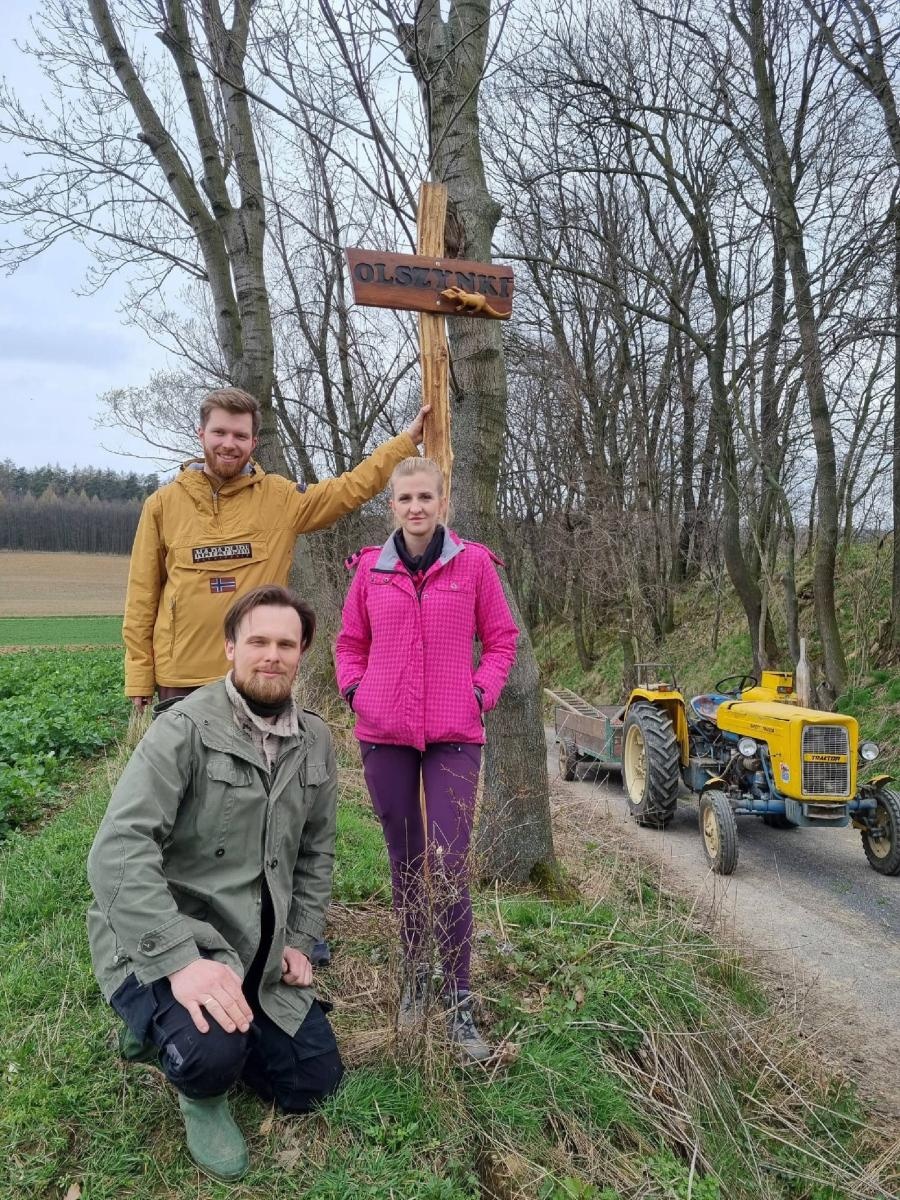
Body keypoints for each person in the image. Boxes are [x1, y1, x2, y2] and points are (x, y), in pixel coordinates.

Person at [88, 585, 342, 1181]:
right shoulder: (183, 729)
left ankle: (165, 1030)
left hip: (257, 943)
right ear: (230, 647)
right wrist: (181, 962)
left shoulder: (316, 741)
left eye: (286, 644)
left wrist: (299, 939)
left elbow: (317, 852)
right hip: (174, 935)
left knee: (312, 1082)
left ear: (303, 652)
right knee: (209, 1053)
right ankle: (196, 1086)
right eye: (258, 641)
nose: (271, 655)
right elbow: (117, 851)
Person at [335, 457, 519, 1062]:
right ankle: (416, 974)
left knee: (449, 861)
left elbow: (502, 640)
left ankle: (460, 995)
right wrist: (356, 691)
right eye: (405, 498)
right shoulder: (370, 570)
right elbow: (349, 642)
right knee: (406, 858)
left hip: (454, 732)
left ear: (444, 503)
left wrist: (480, 693)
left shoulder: (474, 565)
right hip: (383, 732)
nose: (416, 507)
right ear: (391, 505)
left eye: (426, 497)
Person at [123, 388, 428, 710]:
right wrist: (139, 674)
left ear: (254, 442)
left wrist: (406, 442)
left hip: (258, 673)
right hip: (181, 679)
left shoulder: (281, 499)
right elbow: (142, 595)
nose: (229, 444)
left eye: (240, 435)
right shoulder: (162, 505)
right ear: (201, 434)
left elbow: (348, 489)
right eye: (219, 432)